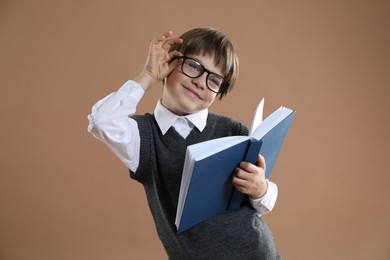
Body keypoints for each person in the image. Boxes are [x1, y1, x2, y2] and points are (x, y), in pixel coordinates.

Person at [88, 28, 281, 259]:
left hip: (259, 253)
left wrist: (261, 189)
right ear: (171, 63)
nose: (200, 82)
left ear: (219, 94)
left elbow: (261, 205)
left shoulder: (234, 131)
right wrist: (149, 74)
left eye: (214, 80)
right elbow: (102, 122)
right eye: (193, 66)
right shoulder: (144, 138)